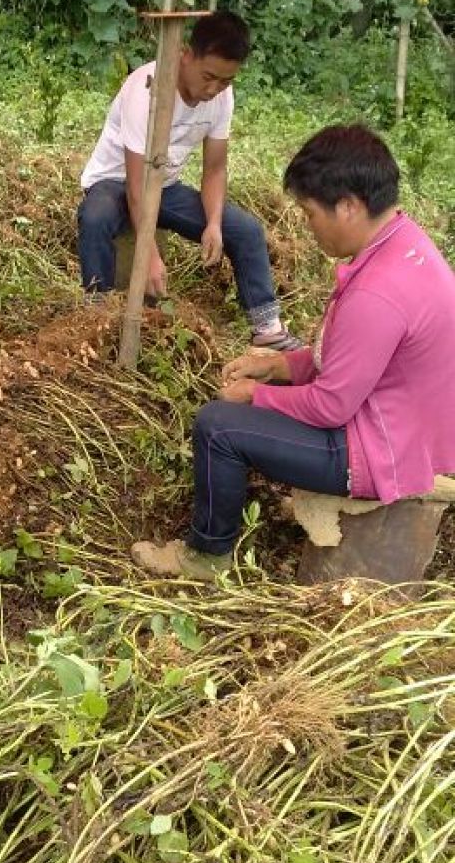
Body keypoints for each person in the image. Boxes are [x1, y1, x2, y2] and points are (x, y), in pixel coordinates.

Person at [131, 123, 455, 581]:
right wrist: (277, 364)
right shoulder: (404, 244)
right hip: (399, 430)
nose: (307, 226)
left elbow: (331, 404)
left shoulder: (378, 294)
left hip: (377, 452)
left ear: (349, 206)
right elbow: (351, 359)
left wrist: (252, 394)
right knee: (246, 411)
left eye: (309, 213)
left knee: (218, 427)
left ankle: (205, 556)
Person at [77, 10, 298, 350]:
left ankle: (267, 329)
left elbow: (214, 170)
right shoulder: (147, 89)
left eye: (226, 81)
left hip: (164, 188)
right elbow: (136, 189)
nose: (214, 89)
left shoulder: (222, 97)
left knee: (246, 230)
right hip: (115, 182)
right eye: (209, 76)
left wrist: (212, 224)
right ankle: (96, 317)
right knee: (95, 218)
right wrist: (147, 256)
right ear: (185, 55)